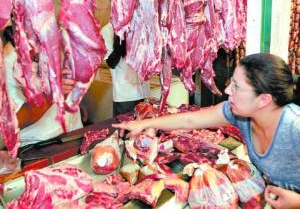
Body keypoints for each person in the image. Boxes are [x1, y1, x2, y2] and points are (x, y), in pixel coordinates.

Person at [113, 53, 300, 209]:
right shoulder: (240, 113)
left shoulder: (295, 127)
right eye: (230, 83)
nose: (227, 90)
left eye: (236, 87)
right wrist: (144, 124)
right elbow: (190, 119)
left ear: (264, 100)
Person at [1, 25, 83, 147]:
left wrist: (78, 100)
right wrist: (53, 92)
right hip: (39, 144)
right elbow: (17, 119)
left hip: (72, 132)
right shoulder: (7, 62)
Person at [101, 23, 150, 117]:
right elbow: (111, 63)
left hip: (144, 92)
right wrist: (120, 42)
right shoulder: (108, 29)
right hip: (125, 95)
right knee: (124, 129)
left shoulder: (140, 21)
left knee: (144, 129)